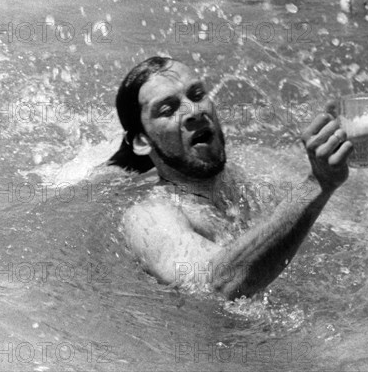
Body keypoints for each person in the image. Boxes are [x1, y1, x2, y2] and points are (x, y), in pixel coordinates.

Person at [108, 56, 353, 300]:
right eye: (168, 109)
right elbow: (216, 284)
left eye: (196, 95)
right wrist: (317, 185)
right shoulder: (149, 217)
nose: (194, 111)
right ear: (141, 142)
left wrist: (340, 145)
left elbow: (346, 213)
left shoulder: (252, 165)